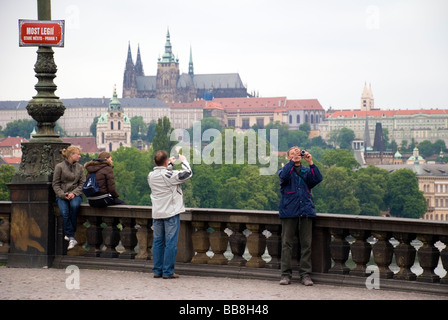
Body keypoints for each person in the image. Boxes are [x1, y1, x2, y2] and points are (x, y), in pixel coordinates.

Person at [277, 146, 323, 286]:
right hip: (289, 211)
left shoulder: (306, 171)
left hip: (305, 211)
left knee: (306, 245)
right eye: (292, 153)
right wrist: (292, 162)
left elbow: (318, 179)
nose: (296, 155)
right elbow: (283, 177)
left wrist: (311, 162)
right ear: (288, 157)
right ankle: (285, 275)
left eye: (298, 153)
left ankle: (305, 275)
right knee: (286, 244)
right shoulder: (284, 170)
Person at [147, 150, 193, 279]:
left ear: (154, 162)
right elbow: (187, 173)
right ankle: (167, 272)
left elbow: (165, 176)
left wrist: (170, 165)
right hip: (170, 213)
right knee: (170, 244)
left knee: (157, 242)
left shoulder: (150, 175)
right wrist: (184, 161)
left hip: (157, 213)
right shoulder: (170, 175)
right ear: (166, 161)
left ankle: (157, 270)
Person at [52, 146, 86, 250]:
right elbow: (55, 184)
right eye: (78, 154)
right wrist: (63, 194)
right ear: (71, 155)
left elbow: (82, 183)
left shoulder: (80, 167)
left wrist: (74, 193)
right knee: (64, 212)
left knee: (74, 206)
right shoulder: (59, 167)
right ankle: (71, 237)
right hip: (62, 195)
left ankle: (70, 235)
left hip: (75, 194)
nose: (79, 156)